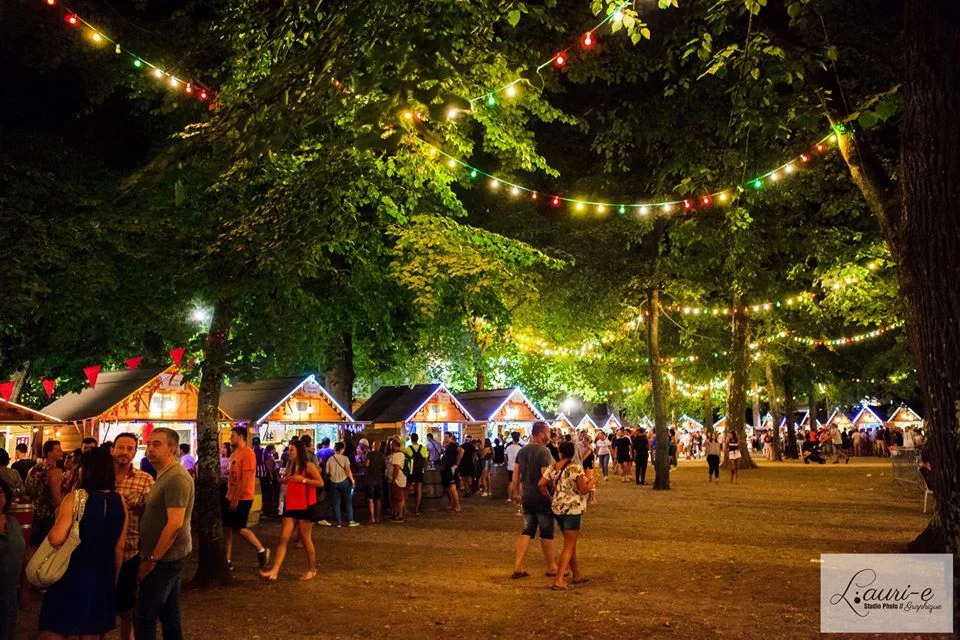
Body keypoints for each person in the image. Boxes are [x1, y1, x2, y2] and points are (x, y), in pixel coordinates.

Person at [38, 447, 128, 639]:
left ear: (86, 469)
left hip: (71, 569)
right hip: (103, 571)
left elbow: (56, 537)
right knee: (91, 630)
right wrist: (115, 575)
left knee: (56, 627)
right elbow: (120, 546)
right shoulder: (120, 500)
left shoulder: (76, 497)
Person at [135, 427, 195, 640]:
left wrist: (152, 560)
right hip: (166, 556)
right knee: (169, 614)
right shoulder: (163, 475)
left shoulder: (176, 478)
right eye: (149, 444)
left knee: (144, 617)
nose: (149, 449)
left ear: (172, 449)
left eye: (156, 444)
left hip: (166, 558)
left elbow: (175, 525)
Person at [260, 440, 323, 581]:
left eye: (292, 449)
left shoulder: (309, 466)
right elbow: (290, 480)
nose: (289, 452)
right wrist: (285, 480)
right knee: (283, 538)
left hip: (305, 507)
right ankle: (274, 571)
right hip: (292, 506)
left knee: (306, 540)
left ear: (299, 451)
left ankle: (312, 569)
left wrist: (303, 480)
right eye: (289, 449)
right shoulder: (291, 466)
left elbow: (320, 483)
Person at [113, 433, 155, 640]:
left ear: (135, 452)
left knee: (128, 605)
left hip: (131, 549)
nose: (124, 452)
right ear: (113, 449)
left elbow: (153, 514)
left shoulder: (145, 479)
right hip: (101, 550)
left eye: (130, 448)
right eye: (121, 447)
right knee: (99, 602)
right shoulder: (100, 476)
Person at [539, 440, 596, 591]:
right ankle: (559, 579)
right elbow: (583, 490)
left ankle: (576, 574)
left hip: (558, 508)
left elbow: (541, 483)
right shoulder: (576, 469)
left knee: (570, 543)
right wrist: (592, 482)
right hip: (573, 509)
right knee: (569, 545)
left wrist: (550, 495)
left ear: (560, 453)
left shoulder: (553, 467)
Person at [510, 421, 558, 580]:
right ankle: (551, 566)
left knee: (527, 530)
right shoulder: (544, 452)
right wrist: (554, 491)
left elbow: (516, 474)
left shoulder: (522, 451)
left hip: (527, 496)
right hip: (542, 496)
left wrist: (516, 492)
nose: (549, 435)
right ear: (541, 433)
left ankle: (518, 565)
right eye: (548, 432)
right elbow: (546, 476)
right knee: (547, 532)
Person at [223, 426, 269, 570]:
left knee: (240, 528)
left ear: (241, 437)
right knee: (228, 528)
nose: (230, 439)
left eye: (233, 436)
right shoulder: (235, 454)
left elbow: (246, 477)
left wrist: (236, 498)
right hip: (230, 494)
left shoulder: (248, 453)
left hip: (243, 497)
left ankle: (261, 550)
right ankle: (227, 560)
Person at [24, 439, 64, 549]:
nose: (62, 452)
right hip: (48, 516)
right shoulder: (55, 471)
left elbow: (27, 490)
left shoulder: (32, 469)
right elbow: (56, 497)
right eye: (58, 450)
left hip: (34, 515)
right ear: (49, 453)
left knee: (34, 547)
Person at [0, 477, 25, 640]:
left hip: (9, 592)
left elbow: (21, 555)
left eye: (0, 492)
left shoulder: (13, 523)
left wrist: (24, 587)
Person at [326, 442, 359, 527]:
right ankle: (350, 520)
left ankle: (338, 522)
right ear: (342, 449)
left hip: (333, 482)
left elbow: (327, 471)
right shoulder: (345, 458)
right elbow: (348, 470)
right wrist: (352, 480)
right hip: (344, 481)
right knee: (348, 502)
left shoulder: (330, 459)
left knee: (336, 503)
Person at [404, 434, 428, 514]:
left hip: (411, 472)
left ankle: (405, 507)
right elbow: (426, 460)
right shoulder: (423, 448)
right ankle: (417, 508)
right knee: (419, 489)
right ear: (418, 439)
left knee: (406, 489)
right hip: (420, 471)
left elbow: (405, 460)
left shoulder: (408, 449)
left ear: (411, 439)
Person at [440, 432, 462, 513]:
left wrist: (457, 463)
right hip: (447, 469)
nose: (445, 438)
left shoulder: (453, 445)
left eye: (446, 437)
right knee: (448, 488)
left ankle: (457, 506)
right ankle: (452, 504)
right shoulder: (448, 446)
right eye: (444, 437)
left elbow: (462, 451)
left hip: (450, 469)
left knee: (453, 488)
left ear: (450, 437)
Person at [386, 439, 408, 522]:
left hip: (397, 479)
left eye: (391, 444)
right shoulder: (397, 454)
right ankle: (395, 514)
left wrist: (394, 479)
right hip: (396, 478)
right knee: (395, 497)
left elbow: (396, 468)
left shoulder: (398, 455)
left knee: (399, 497)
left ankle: (400, 515)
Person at [504, 432, 523, 502]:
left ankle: (509, 497)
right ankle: (519, 496)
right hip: (519, 467)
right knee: (520, 482)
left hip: (510, 466)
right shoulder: (520, 448)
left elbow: (505, 457)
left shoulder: (508, 447)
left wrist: (507, 463)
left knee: (511, 482)